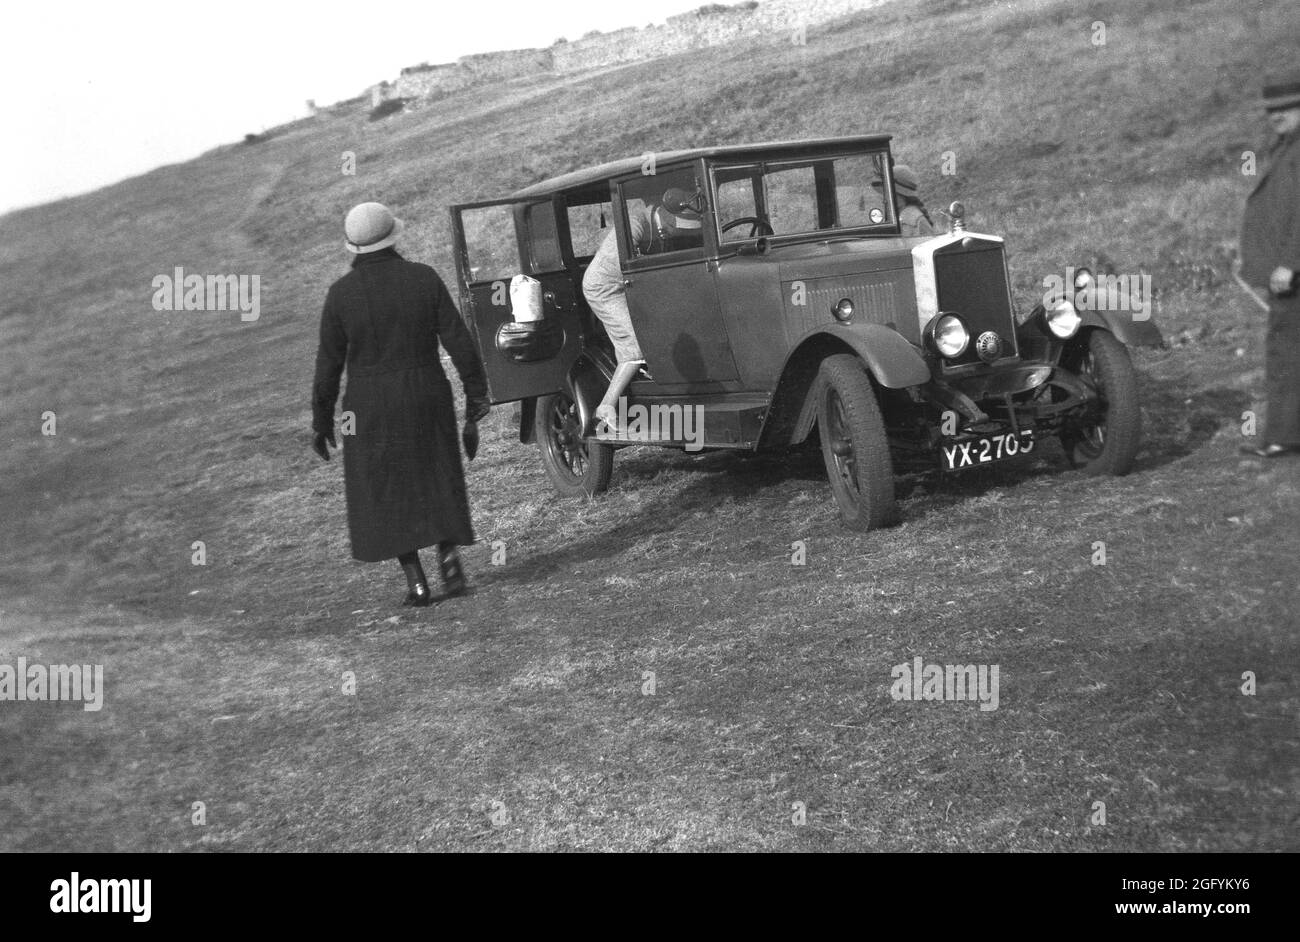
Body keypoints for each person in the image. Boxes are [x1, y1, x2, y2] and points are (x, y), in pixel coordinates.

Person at [312, 202, 490, 606]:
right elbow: (458, 339)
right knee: (436, 471)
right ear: (394, 235)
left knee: (385, 486)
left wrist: (320, 422)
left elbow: (328, 366)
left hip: (368, 403)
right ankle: (449, 562)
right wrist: (475, 392)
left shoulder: (340, 295)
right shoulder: (423, 278)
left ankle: (417, 583)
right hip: (426, 388)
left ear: (353, 247)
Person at [582, 187, 703, 431]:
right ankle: (606, 407)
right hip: (604, 288)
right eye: (674, 228)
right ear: (664, 219)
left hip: (627, 285)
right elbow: (626, 266)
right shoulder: (635, 225)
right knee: (635, 346)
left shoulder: (657, 225)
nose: (675, 232)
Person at [1239, 68, 1300, 458]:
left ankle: (1283, 437)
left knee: (1285, 352)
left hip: (1291, 274)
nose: (1276, 114)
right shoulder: (1286, 145)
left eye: (1287, 107)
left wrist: (1290, 264)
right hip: (1285, 270)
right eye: (1270, 109)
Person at [874, 164, 936, 237]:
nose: (884, 200)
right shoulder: (906, 215)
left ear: (897, 194)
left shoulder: (909, 218)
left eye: (887, 193)